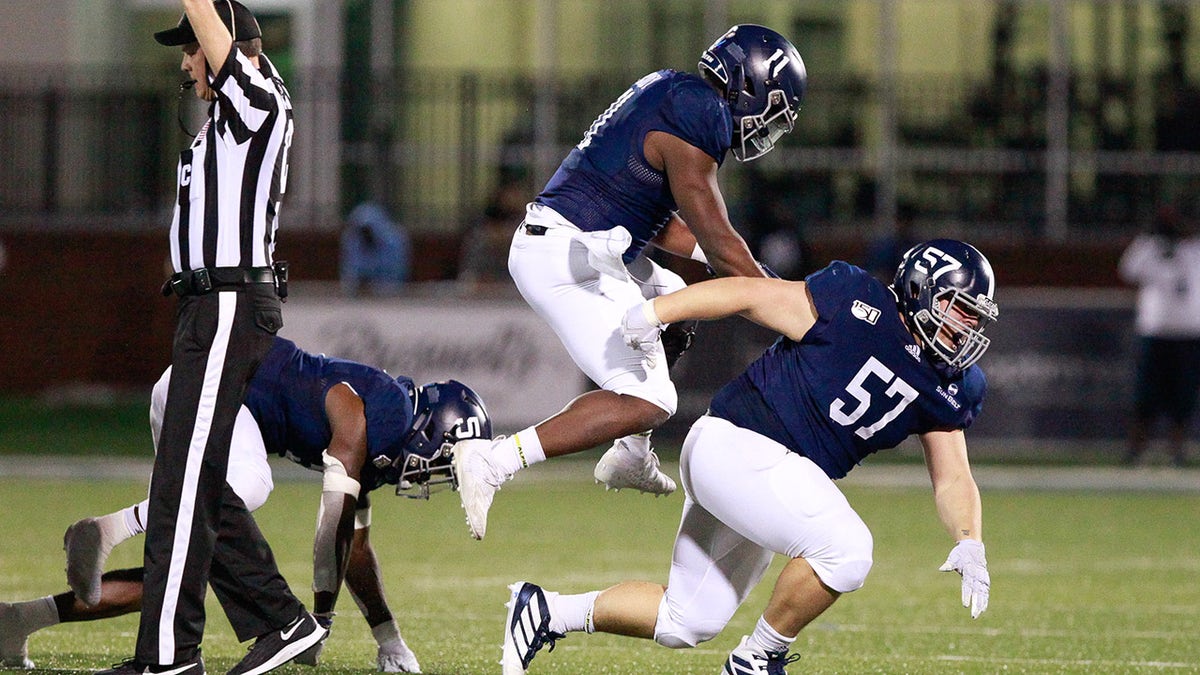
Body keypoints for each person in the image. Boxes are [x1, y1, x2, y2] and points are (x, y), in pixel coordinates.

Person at [499, 240, 999, 674]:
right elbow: (747, 293)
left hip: (772, 480)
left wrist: (969, 540)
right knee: (846, 550)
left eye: (976, 315)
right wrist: (657, 312)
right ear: (920, 290)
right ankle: (758, 659)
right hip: (737, 445)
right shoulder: (855, 302)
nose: (968, 326)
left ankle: (545, 611)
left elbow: (953, 476)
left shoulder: (954, 384)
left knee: (686, 620)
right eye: (961, 309)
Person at [452, 24, 809, 541]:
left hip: (583, 244)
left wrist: (759, 281)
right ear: (748, 83)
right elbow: (721, 240)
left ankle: (630, 453)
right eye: (770, 109)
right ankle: (496, 460)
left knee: (675, 306)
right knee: (649, 399)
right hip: (572, 255)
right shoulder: (699, 112)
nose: (766, 127)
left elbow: (665, 223)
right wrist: (786, 303)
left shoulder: (672, 91)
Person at [0, 336, 493, 673]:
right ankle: (111, 528)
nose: (437, 477)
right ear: (435, 431)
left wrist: (387, 636)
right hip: (216, 390)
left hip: (190, 390)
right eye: (446, 461)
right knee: (248, 485)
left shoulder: (386, 440)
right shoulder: (391, 409)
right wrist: (317, 618)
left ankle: (19, 620)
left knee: (184, 571)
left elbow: (352, 548)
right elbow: (335, 507)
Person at [120, 2, 312, 674]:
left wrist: (205, 13)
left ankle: (169, 658)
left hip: (230, 301)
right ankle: (279, 618)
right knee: (190, 477)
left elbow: (218, 33)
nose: (184, 61)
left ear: (229, 47)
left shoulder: (257, 98)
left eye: (191, 48)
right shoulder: (233, 119)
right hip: (210, 305)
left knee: (182, 483)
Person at [1117, 205, 1200, 467]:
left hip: (1188, 335)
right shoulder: (1150, 249)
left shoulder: (1195, 250)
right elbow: (1127, 270)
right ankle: (1136, 450)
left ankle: (1178, 450)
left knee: (1183, 397)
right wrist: (1149, 238)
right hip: (1154, 333)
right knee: (1146, 397)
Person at [341, 201, 412, 296]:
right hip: (360, 294)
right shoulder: (354, 240)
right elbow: (351, 270)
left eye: (368, 229)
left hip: (389, 291)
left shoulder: (394, 241)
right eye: (362, 230)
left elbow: (397, 272)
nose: (365, 234)